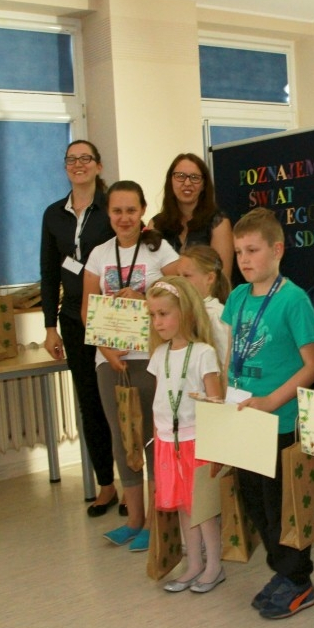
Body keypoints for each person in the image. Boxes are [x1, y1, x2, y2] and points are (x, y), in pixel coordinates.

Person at [221, 207, 314, 620]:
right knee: (255, 504)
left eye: (252, 250)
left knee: (284, 507)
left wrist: (270, 401)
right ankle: (282, 572)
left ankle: (299, 580)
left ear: (277, 250)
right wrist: (226, 405)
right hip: (244, 420)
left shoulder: (294, 299)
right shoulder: (236, 297)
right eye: (239, 252)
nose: (244, 260)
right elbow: (233, 355)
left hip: (280, 423)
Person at [82, 180, 181, 552]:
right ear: (108, 214)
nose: (124, 218)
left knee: (155, 441)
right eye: (117, 211)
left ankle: (157, 521)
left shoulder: (159, 249)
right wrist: (105, 350)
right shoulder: (98, 254)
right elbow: (87, 307)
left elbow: (182, 291)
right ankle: (134, 520)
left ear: (142, 212)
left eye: (131, 210)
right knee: (124, 439)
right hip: (110, 361)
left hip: (152, 360)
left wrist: (143, 295)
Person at [39, 139, 119, 517]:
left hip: (113, 318)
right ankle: (107, 485)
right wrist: (49, 326)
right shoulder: (53, 214)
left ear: (99, 166)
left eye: (86, 158)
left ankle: (138, 484)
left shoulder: (112, 209)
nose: (78, 164)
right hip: (73, 318)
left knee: (122, 401)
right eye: (71, 159)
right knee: (90, 404)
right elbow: (49, 271)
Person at [144, 277, 227, 594]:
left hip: (198, 443)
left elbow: (216, 403)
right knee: (181, 506)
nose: (157, 321)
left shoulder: (203, 353)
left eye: (163, 313)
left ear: (185, 312)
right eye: (153, 315)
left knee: (202, 508)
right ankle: (193, 562)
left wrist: (216, 445)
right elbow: (159, 403)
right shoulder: (159, 355)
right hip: (168, 443)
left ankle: (214, 565)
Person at [150, 153, 233, 279]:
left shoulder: (218, 223)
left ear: (204, 185)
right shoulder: (156, 225)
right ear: (170, 181)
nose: (187, 183)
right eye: (180, 176)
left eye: (195, 177)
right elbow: (150, 275)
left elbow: (222, 279)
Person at [177, 244, 231, 394]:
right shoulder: (183, 313)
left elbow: (225, 363)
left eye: (187, 276)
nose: (180, 282)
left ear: (210, 278)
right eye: (178, 276)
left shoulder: (217, 315)